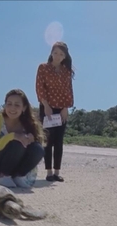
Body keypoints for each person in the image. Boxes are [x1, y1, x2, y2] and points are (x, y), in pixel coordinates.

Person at [0, 89, 45, 188]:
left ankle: (19, 176)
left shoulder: (28, 123)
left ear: (24, 108)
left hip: (17, 163)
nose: (12, 108)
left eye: (17, 105)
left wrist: (30, 141)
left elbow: (35, 149)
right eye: (9, 104)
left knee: (38, 148)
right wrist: (13, 136)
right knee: (16, 142)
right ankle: (4, 175)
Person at [35, 41, 75, 182]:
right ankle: (49, 172)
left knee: (59, 141)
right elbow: (40, 88)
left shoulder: (66, 71)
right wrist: (45, 105)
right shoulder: (43, 68)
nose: (58, 56)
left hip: (61, 108)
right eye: (55, 52)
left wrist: (66, 108)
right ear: (51, 53)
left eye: (61, 54)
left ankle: (57, 172)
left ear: (65, 56)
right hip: (47, 108)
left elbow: (68, 90)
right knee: (48, 140)